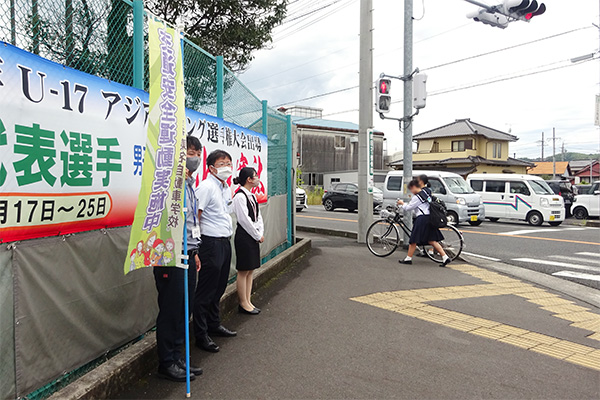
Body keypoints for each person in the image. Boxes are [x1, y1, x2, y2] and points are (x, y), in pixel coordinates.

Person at [154, 135, 203, 382]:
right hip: (170, 256)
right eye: (188, 152)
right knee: (172, 310)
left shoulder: (190, 184)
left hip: (188, 254)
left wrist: (194, 253)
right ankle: (167, 362)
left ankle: (180, 358)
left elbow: (191, 222)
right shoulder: (166, 183)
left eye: (196, 153)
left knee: (185, 310)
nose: (193, 157)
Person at [194, 150, 237, 353]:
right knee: (206, 290)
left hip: (224, 241)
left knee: (219, 287)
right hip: (210, 243)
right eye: (222, 163)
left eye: (229, 162)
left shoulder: (225, 187)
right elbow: (196, 216)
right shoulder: (206, 187)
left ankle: (214, 324)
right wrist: (196, 244)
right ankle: (201, 335)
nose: (227, 167)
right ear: (211, 168)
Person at [397, 179, 452, 268]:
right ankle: (445, 257)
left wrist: (402, 203)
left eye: (411, 189)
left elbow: (408, 208)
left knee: (413, 240)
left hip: (422, 219)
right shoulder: (425, 193)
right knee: (432, 240)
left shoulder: (417, 197)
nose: (411, 191)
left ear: (415, 187)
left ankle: (408, 258)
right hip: (429, 218)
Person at [232, 167, 265, 315]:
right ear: (249, 179)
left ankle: (248, 300)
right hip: (245, 237)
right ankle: (243, 303)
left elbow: (258, 217)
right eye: (255, 176)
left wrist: (260, 232)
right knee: (243, 270)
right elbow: (244, 220)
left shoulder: (251, 195)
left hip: (253, 236)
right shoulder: (239, 196)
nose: (257, 178)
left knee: (250, 269)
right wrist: (257, 235)